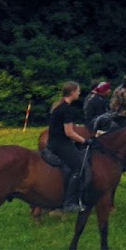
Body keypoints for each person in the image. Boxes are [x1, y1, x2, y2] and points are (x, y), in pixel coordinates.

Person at [49, 81, 94, 212]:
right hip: (60, 144)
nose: (79, 93)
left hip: (54, 142)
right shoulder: (66, 110)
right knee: (79, 168)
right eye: (78, 90)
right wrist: (84, 141)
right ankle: (69, 203)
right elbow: (69, 133)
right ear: (73, 92)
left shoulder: (58, 106)